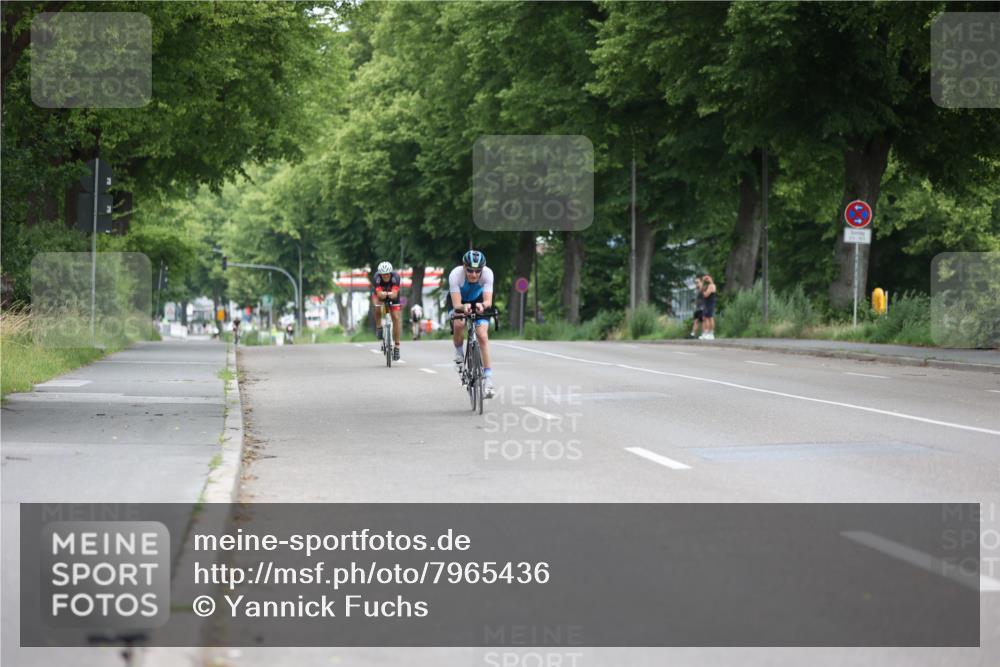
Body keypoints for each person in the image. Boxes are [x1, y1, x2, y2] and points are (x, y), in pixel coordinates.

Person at [449, 249, 495, 398]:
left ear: (483, 269)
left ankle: (488, 380)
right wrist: (463, 307)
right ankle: (459, 353)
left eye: (477, 271)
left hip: (479, 302)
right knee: (459, 324)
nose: (474, 274)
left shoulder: (488, 274)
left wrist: (483, 305)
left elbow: (488, 301)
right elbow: (456, 304)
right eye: (470, 270)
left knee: (482, 336)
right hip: (460, 302)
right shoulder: (455, 275)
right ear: (464, 267)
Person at [371, 260, 402, 361]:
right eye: (383, 274)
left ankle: (397, 347)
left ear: (390, 273)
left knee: (396, 318)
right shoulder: (376, 278)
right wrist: (383, 295)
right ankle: (379, 327)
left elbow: (394, 294)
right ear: (380, 274)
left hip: (392, 293)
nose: (385, 276)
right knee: (377, 307)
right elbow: (379, 295)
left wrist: (390, 294)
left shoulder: (396, 277)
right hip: (379, 293)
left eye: (387, 274)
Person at [699, 274, 717, 340]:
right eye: (705, 278)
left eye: (707, 278)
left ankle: (711, 333)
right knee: (705, 318)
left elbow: (706, 295)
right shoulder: (707, 285)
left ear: (711, 278)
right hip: (706, 303)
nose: (706, 279)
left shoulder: (712, 285)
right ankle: (706, 333)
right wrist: (702, 281)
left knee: (710, 317)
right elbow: (700, 290)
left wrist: (704, 291)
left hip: (710, 303)